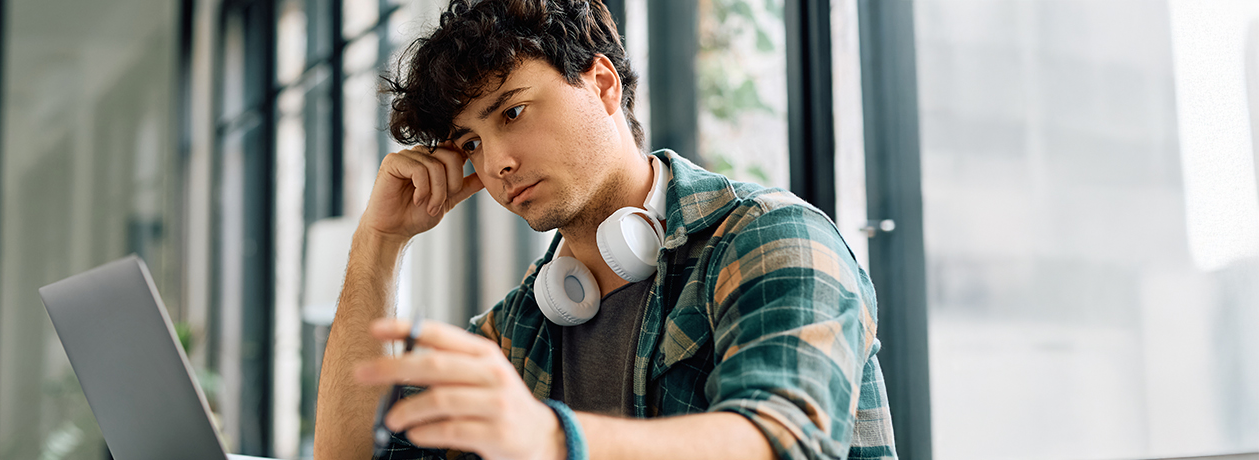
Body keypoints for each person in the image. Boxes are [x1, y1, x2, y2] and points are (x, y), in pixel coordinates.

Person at [312, 1, 896, 459]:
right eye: (471, 144)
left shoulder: (769, 238)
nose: (495, 165)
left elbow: (781, 441)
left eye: (511, 113)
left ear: (603, 84)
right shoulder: (523, 325)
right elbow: (352, 456)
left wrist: (549, 440)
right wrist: (380, 242)